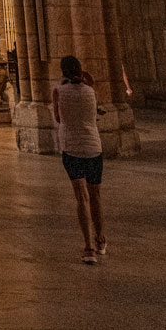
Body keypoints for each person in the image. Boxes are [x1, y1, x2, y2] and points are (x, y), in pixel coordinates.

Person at [52, 54, 107, 264]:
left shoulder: (58, 91)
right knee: (96, 196)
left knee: (81, 198)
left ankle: (88, 247)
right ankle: (101, 240)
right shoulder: (90, 92)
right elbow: (94, 110)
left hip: (72, 148)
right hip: (94, 148)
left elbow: (58, 118)